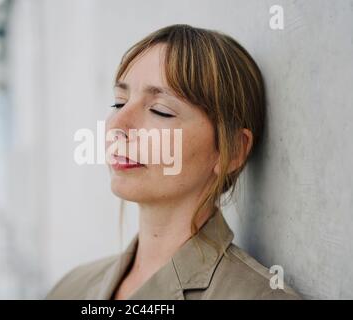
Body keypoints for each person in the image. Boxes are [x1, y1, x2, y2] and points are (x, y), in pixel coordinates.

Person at [47, 24, 300, 300]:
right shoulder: (70, 288)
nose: (118, 124)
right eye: (119, 103)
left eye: (160, 111)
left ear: (234, 150)